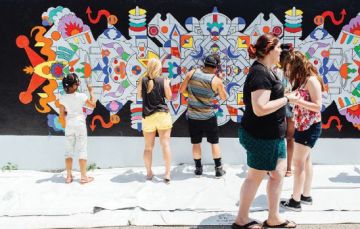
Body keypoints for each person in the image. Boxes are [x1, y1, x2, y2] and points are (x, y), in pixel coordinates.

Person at [233, 33, 299, 229]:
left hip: (272, 136)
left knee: (278, 174)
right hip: (261, 136)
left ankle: (273, 218)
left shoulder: (267, 70)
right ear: (269, 50)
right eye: (278, 48)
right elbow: (260, 108)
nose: (281, 51)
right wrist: (287, 99)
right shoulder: (260, 73)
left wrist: (285, 96)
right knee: (255, 176)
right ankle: (242, 219)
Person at [280, 50, 324, 212]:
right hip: (303, 125)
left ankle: (295, 201)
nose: (287, 71)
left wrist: (298, 100)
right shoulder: (303, 80)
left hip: (309, 127)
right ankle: (305, 195)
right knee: (305, 162)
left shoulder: (312, 80)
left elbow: (318, 106)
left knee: (297, 165)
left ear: (297, 66)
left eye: (289, 67)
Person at [179, 54, 227, 178]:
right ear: (216, 67)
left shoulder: (191, 73)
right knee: (214, 142)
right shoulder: (216, 80)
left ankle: (198, 169)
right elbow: (223, 97)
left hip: (193, 116)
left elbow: (181, 90)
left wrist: (190, 95)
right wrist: (220, 81)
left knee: (196, 143)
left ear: (204, 64)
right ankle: (218, 169)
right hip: (208, 116)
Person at [137, 58, 173, 184]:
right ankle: (167, 174)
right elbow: (170, 97)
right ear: (158, 68)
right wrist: (167, 85)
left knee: (148, 148)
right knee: (165, 145)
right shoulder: (163, 80)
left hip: (148, 117)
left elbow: (139, 96)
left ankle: (148, 173)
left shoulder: (142, 80)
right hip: (162, 116)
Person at [59, 73, 96, 184]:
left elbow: (61, 115)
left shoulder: (63, 98)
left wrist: (68, 114)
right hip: (80, 123)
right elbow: (93, 105)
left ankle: (69, 177)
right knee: (82, 149)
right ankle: (84, 177)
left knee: (68, 151)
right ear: (75, 85)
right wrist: (91, 91)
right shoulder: (81, 96)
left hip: (69, 124)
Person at [280, 43, 295, 177]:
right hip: (287, 104)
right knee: (289, 138)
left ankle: (287, 167)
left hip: (284, 104)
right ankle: (288, 168)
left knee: (280, 138)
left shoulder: (273, 69)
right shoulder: (275, 69)